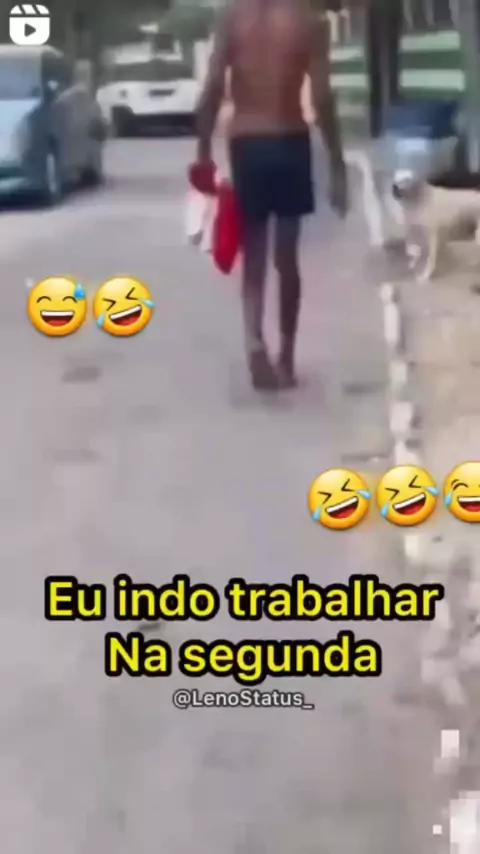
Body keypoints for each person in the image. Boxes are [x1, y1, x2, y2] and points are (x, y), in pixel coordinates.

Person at [195, 0, 348, 390]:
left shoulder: (232, 16)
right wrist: (337, 163)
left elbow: (213, 86)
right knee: (286, 258)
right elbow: (323, 96)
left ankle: (254, 342)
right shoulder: (307, 19)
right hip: (290, 139)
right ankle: (287, 359)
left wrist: (203, 152)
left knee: (255, 254)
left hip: (247, 142)